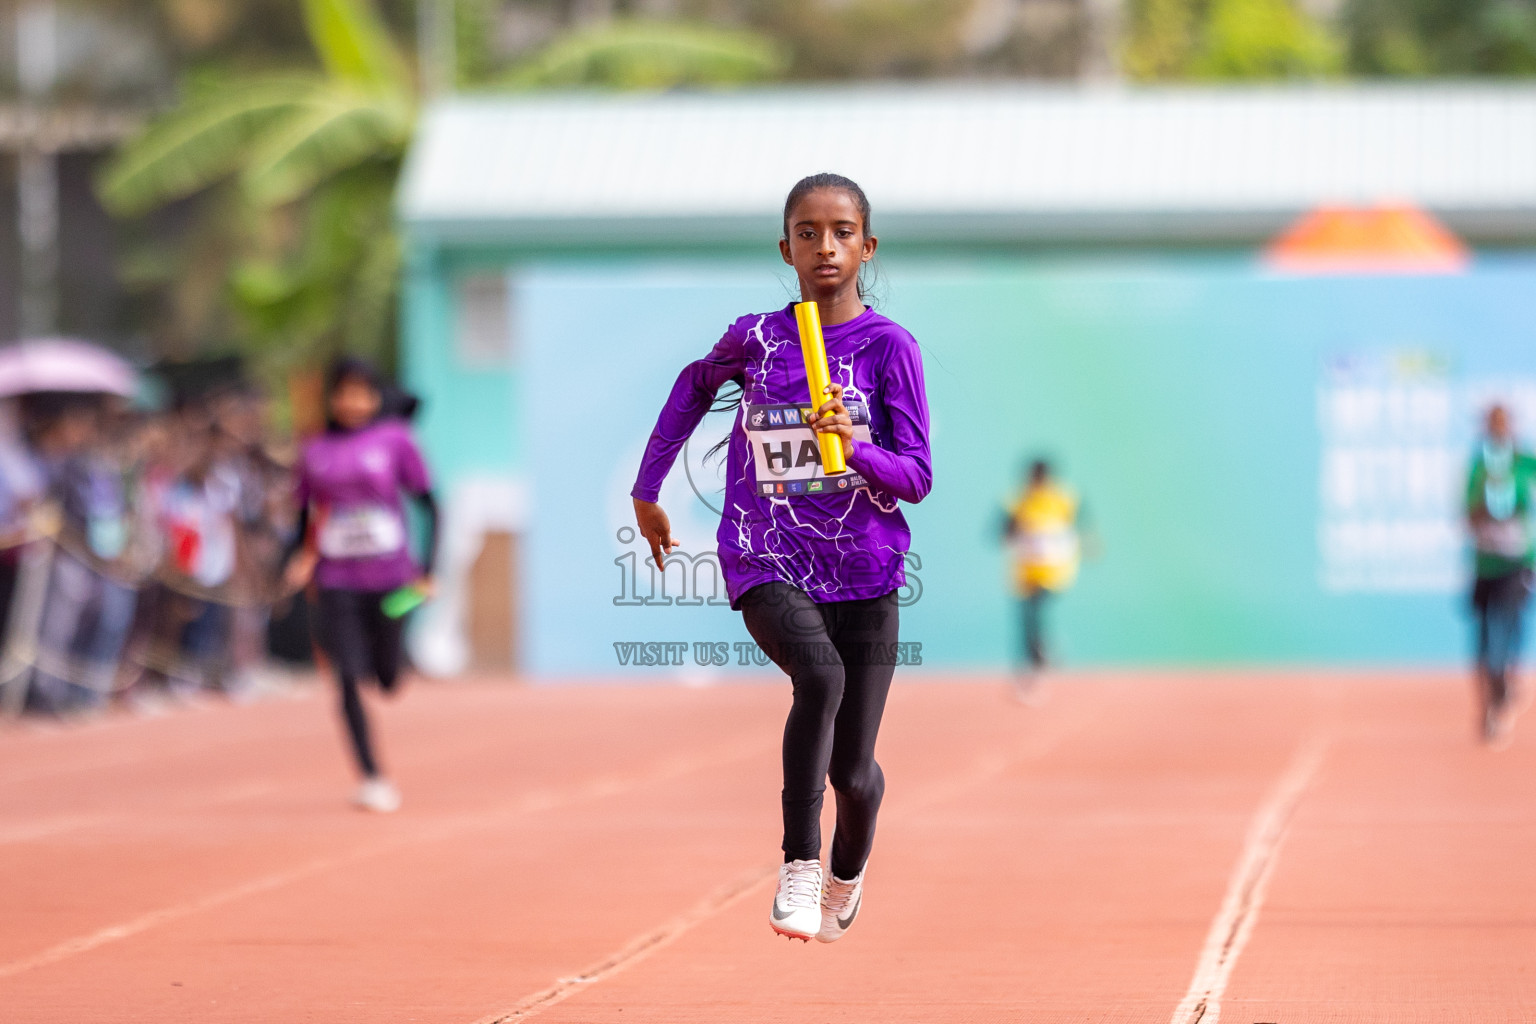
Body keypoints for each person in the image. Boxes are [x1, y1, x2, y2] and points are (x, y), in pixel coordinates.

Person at [632, 173, 931, 943]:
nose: (824, 246)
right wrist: (648, 486)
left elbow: (918, 477)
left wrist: (859, 446)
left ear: (867, 247)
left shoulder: (889, 348)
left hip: (865, 571)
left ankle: (844, 873)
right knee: (818, 674)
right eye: (808, 232)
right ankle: (798, 866)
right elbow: (690, 389)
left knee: (855, 776)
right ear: (786, 247)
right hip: (765, 553)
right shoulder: (758, 337)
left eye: (840, 232)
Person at [284, 359, 438, 813]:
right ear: (332, 398)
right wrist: (301, 554)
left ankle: (392, 662)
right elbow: (303, 511)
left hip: (395, 583)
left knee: (388, 679)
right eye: (344, 393)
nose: (352, 403)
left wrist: (429, 567)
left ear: (374, 398)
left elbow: (432, 506)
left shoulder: (396, 441)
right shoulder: (315, 449)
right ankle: (372, 776)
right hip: (338, 579)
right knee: (347, 676)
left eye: (362, 394)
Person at [1465, 404, 1535, 745]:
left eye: (1504, 424)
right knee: (1483, 635)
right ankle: (1489, 703)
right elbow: (1467, 512)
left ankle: (1505, 680)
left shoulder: (1524, 463)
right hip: (1485, 563)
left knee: (1510, 624)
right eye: (1492, 424)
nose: (1499, 430)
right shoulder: (1479, 467)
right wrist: (1484, 519)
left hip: (1518, 561)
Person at [1002, 458, 1087, 701]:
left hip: (1054, 572)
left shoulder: (1064, 498)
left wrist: (1080, 542)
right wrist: (1016, 527)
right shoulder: (1018, 499)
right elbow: (1003, 531)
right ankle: (1031, 671)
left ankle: (1042, 651)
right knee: (1026, 623)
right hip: (1025, 574)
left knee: (1035, 613)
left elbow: (1081, 524)